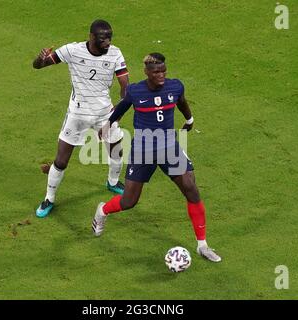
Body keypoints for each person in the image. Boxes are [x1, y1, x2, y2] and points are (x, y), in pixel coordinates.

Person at [92, 53, 221, 262]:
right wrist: (106, 126)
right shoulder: (135, 91)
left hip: (169, 147)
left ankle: (203, 245)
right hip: (143, 150)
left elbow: (182, 102)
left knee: (191, 188)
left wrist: (189, 119)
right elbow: (120, 110)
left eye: (163, 71)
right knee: (129, 201)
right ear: (147, 72)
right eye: (156, 72)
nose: (161, 75)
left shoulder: (175, 86)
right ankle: (103, 210)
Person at [32, 20, 129, 218]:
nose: (107, 43)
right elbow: (38, 66)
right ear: (91, 37)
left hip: (105, 114)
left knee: (116, 150)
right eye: (103, 39)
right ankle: (49, 198)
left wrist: (121, 106)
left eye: (109, 38)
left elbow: (124, 83)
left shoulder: (115, 53)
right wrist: (40, 59)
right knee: (61, 160)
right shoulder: (72, 50)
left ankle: (112, 182)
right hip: (77, 115)